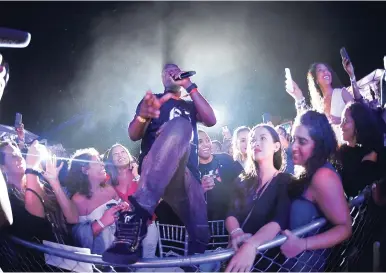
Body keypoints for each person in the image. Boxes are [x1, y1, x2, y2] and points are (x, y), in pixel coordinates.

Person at [102, 63, 216, 264]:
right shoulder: (154, 101)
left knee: (201, 233)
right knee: (180, 125)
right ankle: (137, 218)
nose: (170, 72)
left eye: (175, 69)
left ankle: (192, 265)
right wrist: (143, 116)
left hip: (187, 173)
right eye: (166, 71)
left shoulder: (190, 105)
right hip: (155, 168)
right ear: (161, 78)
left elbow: (211, 120)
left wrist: (190, 86)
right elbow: (133, 134)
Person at [280, 110, 352, 272]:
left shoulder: (323, 176)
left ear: (318, 145)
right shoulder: (308, 170)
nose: (294, 147)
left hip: (309, 265)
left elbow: (345, 228)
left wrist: (303, 244)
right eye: (293, 139)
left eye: (302, 141)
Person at [225, 124, 291, 272]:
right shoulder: (242, 180)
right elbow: (231, 213)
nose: (256, 143)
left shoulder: (285, 181)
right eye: (253, 140)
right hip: (236, 253)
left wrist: (251, 245)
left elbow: (279, 220)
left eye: (263, 138)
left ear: (276, 146)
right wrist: (236, 233)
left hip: (268, 260)